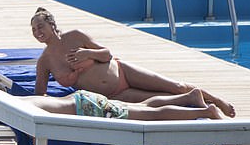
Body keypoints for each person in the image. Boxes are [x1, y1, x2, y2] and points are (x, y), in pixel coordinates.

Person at [30, 7, 234, 117]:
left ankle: (216, 100)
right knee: (154, 101)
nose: (38, 32)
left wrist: (87, 55)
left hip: (122, 71)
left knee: (175, 86)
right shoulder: (45, 61)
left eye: (40, 26)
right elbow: (40, 95)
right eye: (34, 30)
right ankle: (194, 98)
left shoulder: (75, 36)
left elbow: (107, 54)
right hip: (112, 94)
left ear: (52, 24)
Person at [0, 90, 228, 145]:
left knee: (146, 116)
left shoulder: (18, 110)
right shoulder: (8, 101)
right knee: (142, 109)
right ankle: (189, 98)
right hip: (83, 101)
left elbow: (41, 138)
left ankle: (204, 111)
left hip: (89, 107)